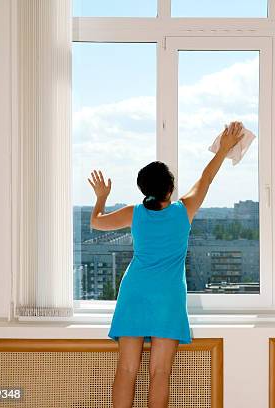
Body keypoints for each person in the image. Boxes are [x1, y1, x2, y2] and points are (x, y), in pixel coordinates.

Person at [87, 121, 245, 408]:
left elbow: (96, 222)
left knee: (125, 370)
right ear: (171, 188)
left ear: (143, 189)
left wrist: (101, 198)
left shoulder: (133, 213)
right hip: (168, 297)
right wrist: (223, 150)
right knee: (160, 373)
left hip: (134, 292)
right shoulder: (184, 210)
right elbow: (205, 179)